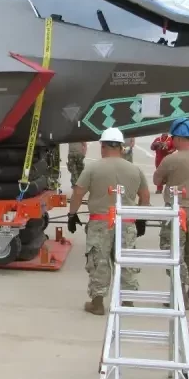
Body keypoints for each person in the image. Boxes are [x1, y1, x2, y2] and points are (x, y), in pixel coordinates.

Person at [66, 127, 151, 316]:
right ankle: (127, 301)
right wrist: (141, 219)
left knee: (99, 262)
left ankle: (97, 303)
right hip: (126, 222)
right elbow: (145, 196)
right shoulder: (134, 169)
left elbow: (78, 193)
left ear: (102, 146)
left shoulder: (93, 168)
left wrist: (72, 215)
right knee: (126, 262)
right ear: (121, 147)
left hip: (100, 223)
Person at [152, 117, 189, 308]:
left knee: (174, 251)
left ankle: (179, 294)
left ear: (179, 138)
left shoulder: (171, 159)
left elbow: (157, 180)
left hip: (175, 212)